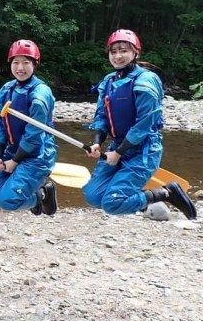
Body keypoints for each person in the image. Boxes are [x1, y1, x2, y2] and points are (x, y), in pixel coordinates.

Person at [82, 29, 196, 219]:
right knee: (93, 196)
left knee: (111, 204)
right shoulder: (109, 81)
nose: (118, 56)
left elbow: (144, 124)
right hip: (117, 144)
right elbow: (102, 116)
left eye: (124, 50)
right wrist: (97, 143)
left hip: (144, 150)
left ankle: (166, 193)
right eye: (113, 51)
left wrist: (118, 154)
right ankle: (137, 197)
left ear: (135, 52)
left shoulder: (146, 81)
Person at [0, 40, 58, 215]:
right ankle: (31, 194)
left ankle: (42, 193)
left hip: (37, 155)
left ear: (34, 64)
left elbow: (34, 135)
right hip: (12, 151)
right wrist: (0, 156)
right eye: (16, 62)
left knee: (8, 201)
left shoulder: (40, 93)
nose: (20, 68)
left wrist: (14, 161)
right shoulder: (7, 89)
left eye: (26, 62)